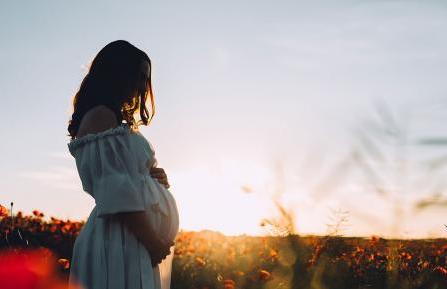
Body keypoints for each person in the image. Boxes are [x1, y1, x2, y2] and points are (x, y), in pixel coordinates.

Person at [66, 40, 179, 289]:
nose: (141, 85)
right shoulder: (100, 116)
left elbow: (124, 177)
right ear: (116, 73)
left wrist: (151, 178)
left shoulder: (113, 121)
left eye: (145, 78)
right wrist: (152, 240)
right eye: (137, 75)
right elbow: (114, 189)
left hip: (129, 237)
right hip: (120, 239)